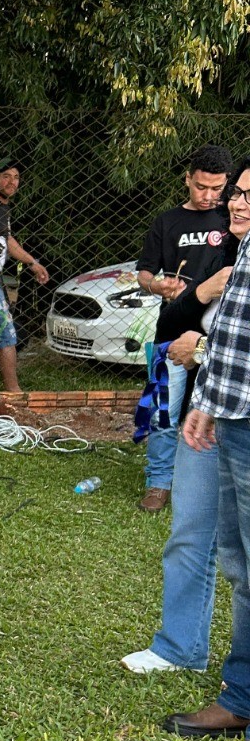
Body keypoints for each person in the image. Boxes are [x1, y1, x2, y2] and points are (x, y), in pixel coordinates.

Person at [122, 162, 250, 673]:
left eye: (240, 193)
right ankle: (180, 647)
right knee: (190, 532)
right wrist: (203, 291)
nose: (234, 202)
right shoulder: (219, 251)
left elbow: (201, 344)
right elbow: (169, 329)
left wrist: (202, 346)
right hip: (206, 408)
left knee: (242, 559)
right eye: (233, 193)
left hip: (233, 410)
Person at [176, 172, 250, 741]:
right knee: (241, 568)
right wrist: (205, 399)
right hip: (232, 418)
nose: (238, 203)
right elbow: (230, 340)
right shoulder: (244, 250)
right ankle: (242, 698)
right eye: (239, 193)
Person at [133, 144, 231, 512]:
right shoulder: (167, 222)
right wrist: (156, 286)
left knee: (215, 411)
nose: (208, 196)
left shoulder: (234, 219)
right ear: (187, 179)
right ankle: (159, 483)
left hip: (219, 333)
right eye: (201, 187)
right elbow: (145, 271)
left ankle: (209, 487)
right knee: (164, 410)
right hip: (173, 330)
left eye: (217, 189)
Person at [0, 159, 49, 392]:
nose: (11, 181)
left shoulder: (2, 208)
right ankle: (13, 391)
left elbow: (8, 241)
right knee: (6, 333)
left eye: (15, 177)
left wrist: (32, 262)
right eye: (5, 176)